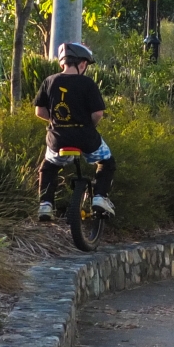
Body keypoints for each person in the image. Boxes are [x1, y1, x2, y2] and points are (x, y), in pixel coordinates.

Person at [34, 42, 115, 221]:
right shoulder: (87, 83)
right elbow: (97, 113)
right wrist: (87, 125)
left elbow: (39, 111)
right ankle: (100, 197)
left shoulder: (49, 81)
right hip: (85, 137)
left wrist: (57, 121)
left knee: (48, 167)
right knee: (107, 161)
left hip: (57, 138)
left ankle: (45, 204)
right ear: (82, 64)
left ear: (62, 63)